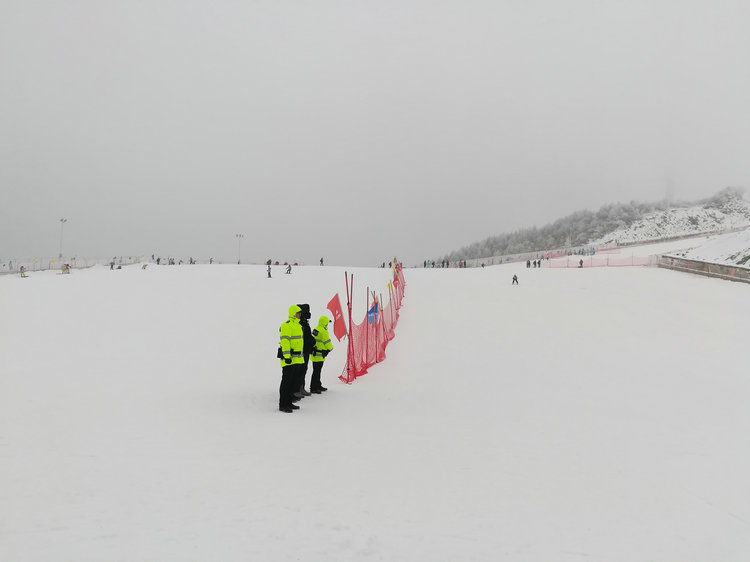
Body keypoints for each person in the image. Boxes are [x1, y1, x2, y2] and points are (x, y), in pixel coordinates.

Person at [279, 305, 305, 413]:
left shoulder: (298, 326)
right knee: (286, 382)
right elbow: (285, 341)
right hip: (289, 359)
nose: (299, 315)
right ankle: (283, 404)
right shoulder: (287, 325)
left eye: (300, 313)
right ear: (293, 313)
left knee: (293, 383)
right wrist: (287, 356)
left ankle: (289, 402)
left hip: (297, 359)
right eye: (298, 313)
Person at [294, 303, 315, 398]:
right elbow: (303, 337)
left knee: (304, 369)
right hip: (301, 351)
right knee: (299, 370)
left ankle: (301, 387)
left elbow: (307, 336)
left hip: (306, 350)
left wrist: (311, 342)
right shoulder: (300, 322)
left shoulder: (305, 322)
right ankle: (297, 389)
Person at [310, 316, 333, 393]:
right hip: (319, 354)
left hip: (314, 354)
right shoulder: (323, 331)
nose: (327, 325)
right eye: (327, 323)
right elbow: (327, 342)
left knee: (316, 371)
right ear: (325, 323)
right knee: (317, 371)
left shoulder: (316, 329)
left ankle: (317, 385)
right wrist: (330, 348)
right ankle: (314, 387)